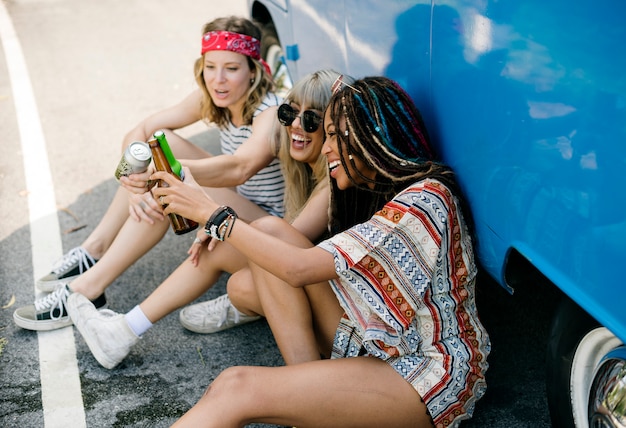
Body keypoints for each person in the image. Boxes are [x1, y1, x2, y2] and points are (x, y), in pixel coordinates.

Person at [70, 76, 491, 427]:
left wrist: (212, 215)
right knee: (269, 230)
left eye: (333, 136)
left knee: (237, 386)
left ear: (371, 140)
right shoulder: (368, 191)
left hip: (423, 370)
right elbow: (281, 245)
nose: (325, 147)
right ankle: (306, 396)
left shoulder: (426, 199)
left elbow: (300, 268)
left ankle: (303, 399)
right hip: (375, 336)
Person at [62, 70, 349, 370]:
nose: (296, 125)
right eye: (290, 113)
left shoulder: (328, 183)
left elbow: (281, 238)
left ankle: (117, 324)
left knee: (238, 268)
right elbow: (146, 129)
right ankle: (118, 322)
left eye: (312, 120)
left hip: (329, 297)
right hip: (306, 271)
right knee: (233, 271)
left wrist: (219, 222)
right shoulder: (298, 156)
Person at [13, 16, 284, 331]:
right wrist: (131, 179)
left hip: (266, 231)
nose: (218, 80)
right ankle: (92, 251)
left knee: (164, 183)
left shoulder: (270, 113)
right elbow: (141, 130)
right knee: (158, 145)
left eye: (232, 69)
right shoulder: (216, 95)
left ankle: (86, 290)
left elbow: (239, 168)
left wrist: (163, 173)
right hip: (238, 205)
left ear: (253, 70)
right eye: (210, 67)